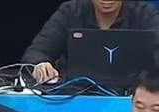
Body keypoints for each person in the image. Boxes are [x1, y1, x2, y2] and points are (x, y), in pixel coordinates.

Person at [23, 0, 159, 84]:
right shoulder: (70, 11)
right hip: (76, 95)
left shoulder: (145, 14)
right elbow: (37, 51)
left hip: (131, 95)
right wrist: (40, 64)